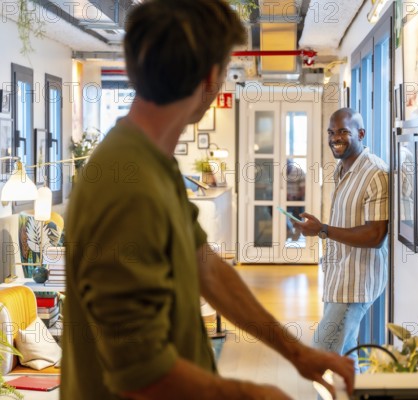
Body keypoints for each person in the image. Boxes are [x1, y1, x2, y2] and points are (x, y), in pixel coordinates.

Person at [61, 1, 354, 399]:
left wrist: (296, 352)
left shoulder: (151, 163)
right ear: (211, 77)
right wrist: (257, 395)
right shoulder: (124, 184)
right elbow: (141, 376)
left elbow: (207, 268)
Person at [292, 108, 389, 369]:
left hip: (355, 283)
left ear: (361, 133)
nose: (336, 138)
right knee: (345, 356)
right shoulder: (341, 169)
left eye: (344, 131)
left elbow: (375, 235)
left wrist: (322, 229)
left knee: (322, 354)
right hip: (338, 278)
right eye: (331, 132)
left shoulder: (375, 174)